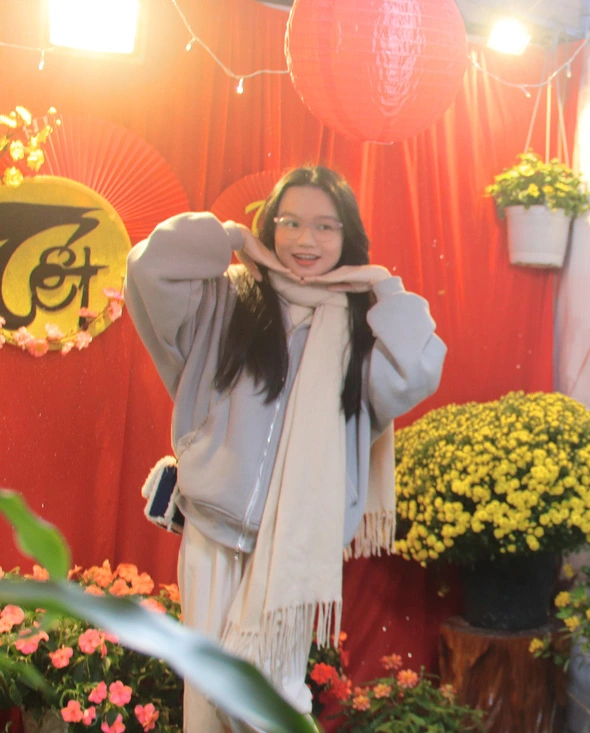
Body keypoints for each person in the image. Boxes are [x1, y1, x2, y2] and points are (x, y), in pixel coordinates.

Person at [126, 166, 446, 731]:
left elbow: (418, 369)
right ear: (268, 225)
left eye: (325, 227)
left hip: (295, 548)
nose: (305, 240)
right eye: (290, 222)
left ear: (347, 235)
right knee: (206, 701)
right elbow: (148, 268)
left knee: (269, 705)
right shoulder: (226, 300)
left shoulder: (358, 326)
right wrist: (226, 237)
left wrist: (385, 288)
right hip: (214, 533)